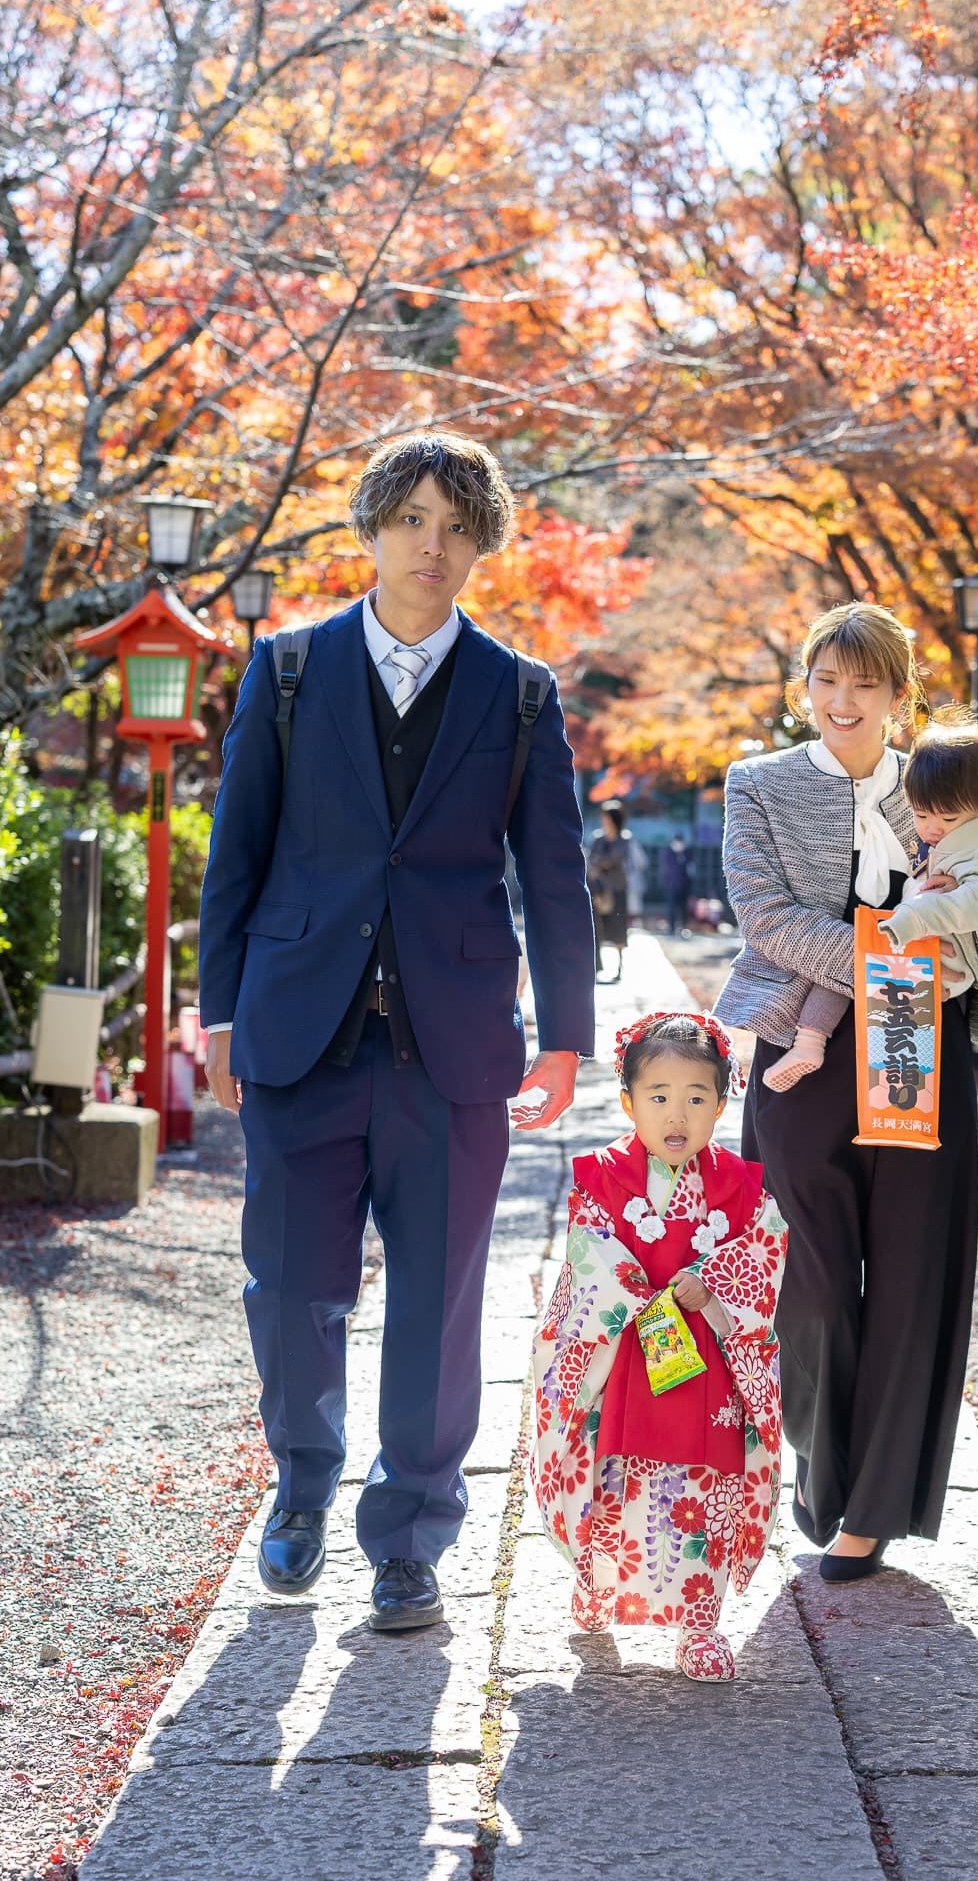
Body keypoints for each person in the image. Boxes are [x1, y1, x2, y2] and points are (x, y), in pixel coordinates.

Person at [198, 430, 595, 1633]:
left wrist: (567, 1033)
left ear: (482, 545)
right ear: (371, 527)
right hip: (296, 1032)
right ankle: (301, 1489)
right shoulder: (284, 673)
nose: (435, 542)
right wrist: (215, 1006)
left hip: (455, 1045)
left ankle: (412, 1534)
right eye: (414, 518)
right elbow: (237, 855)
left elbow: (554, 871)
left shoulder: (519, 693)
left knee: (439, 1298)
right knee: (292, 1289)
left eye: (458, 525)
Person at [713, 602, 978, 1580]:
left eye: (864, 684)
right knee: (800, 1278)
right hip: (798, 1047)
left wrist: (960, 947)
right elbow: (763, 915)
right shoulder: (758, 782)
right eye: (824, 681)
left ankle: (869, 1506)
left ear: (900, 695)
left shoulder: (949, 778)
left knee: (907, 1272)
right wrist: (884, 954)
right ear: (804, 686)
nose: (841, 701)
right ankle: (820, 1459)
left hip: (919, 1037)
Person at [530, 1012, 787, 1681]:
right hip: (624, 1359)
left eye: (697, 1098)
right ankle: (597, 1585)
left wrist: (714, 1281)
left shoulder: (742, 1186)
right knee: (611, 1480)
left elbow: (764, 1249)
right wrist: (631, 1288)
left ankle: (700, 1622)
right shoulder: (601, 1177)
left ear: (723, 1103)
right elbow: (587, 1259)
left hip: (708, 1365)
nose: (678, 1114)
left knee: (708, 1488)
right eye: (659, 1097)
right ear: (628, 1103)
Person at [763, 711, 978, 1091]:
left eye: (947, 818)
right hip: (902, 950)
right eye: (920, 815)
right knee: (845, 965)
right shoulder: (940, 800)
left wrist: (913, 922)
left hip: (940, 965)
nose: (932, 828)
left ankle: (815, 1045)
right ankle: (809, 1043)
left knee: (902, 1072)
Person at [586, 802, 644, 981]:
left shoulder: (625, 839)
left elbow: (617, 858)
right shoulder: (597, 838)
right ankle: (597, 966)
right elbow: (592, 860)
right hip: (598, 890)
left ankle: (619, 966)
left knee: (618, 928)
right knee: (597, 929)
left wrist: (604, 861)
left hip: (618, 889)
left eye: (607, 817)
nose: (604, 820)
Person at [662, 833, 693, 936]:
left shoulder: (687, 852)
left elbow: (690, 868)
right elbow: (668, 870)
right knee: (671, 908)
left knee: (683, 907)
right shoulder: (668, 852)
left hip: (684, 885)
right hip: (671, 885)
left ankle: (684, 927)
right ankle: (671, 928)